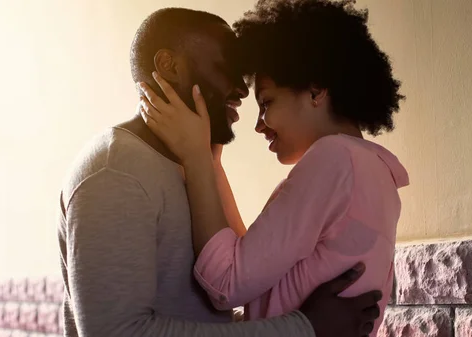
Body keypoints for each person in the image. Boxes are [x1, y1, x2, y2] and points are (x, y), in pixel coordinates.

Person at [58, 7, 382, 337]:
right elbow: (116, 333)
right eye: (228, 67)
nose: (242, 90)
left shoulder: (190, 168)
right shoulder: (116, 171)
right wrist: (305, 327)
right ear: (170, 67)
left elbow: (208, 321)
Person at [137, 0, 408, 335]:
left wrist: (195, 160)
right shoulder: (372, 167)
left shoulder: (333, 160)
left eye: (266, 103)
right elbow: (252, 265)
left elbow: (227, 283)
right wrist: (213, 166)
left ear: (315, 90)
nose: (259, 125)